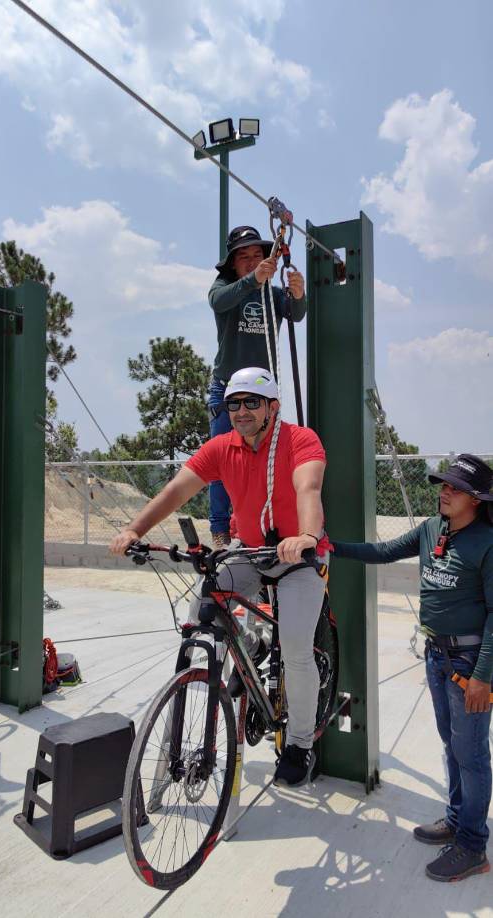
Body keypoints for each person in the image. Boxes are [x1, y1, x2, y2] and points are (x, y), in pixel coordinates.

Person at [111, 366, 329, 787]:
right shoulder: (220, 447)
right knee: (203, 616)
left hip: (299, 554)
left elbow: (309, 489)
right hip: (248, 551)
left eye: (252, 402)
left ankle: (300, 743)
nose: (242, 411)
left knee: (299, 648)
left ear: (272, 407)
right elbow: (176, 491)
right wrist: (135, 530)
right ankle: (249, 646)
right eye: (234, 403)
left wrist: (305, 535)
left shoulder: (300, 439)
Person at [331, 454, 493, 882]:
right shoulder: (432, 529)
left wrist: (483, 677)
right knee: (452, 744)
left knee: (472, 754)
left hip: (469, 663)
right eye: (442, 483)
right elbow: (384, 550)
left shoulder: (488, 543)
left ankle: (474, 846)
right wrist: (334, 547)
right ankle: (458, 821)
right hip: (437, 656)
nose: (444, 491)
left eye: (454, 487)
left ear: (476, 499)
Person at [208, 226, 306, 548]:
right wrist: (253, 280)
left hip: (262, 395)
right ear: (233, 264)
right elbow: (219, 301)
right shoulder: (226, 287)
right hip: (228, 390)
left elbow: (296, 314)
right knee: (223, 460)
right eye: (244, 257)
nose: (251, 262)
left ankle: (258, 524)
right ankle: (220, 529)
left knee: (265, 460)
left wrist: (298, 293)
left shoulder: (271, 295)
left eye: (257, 255)